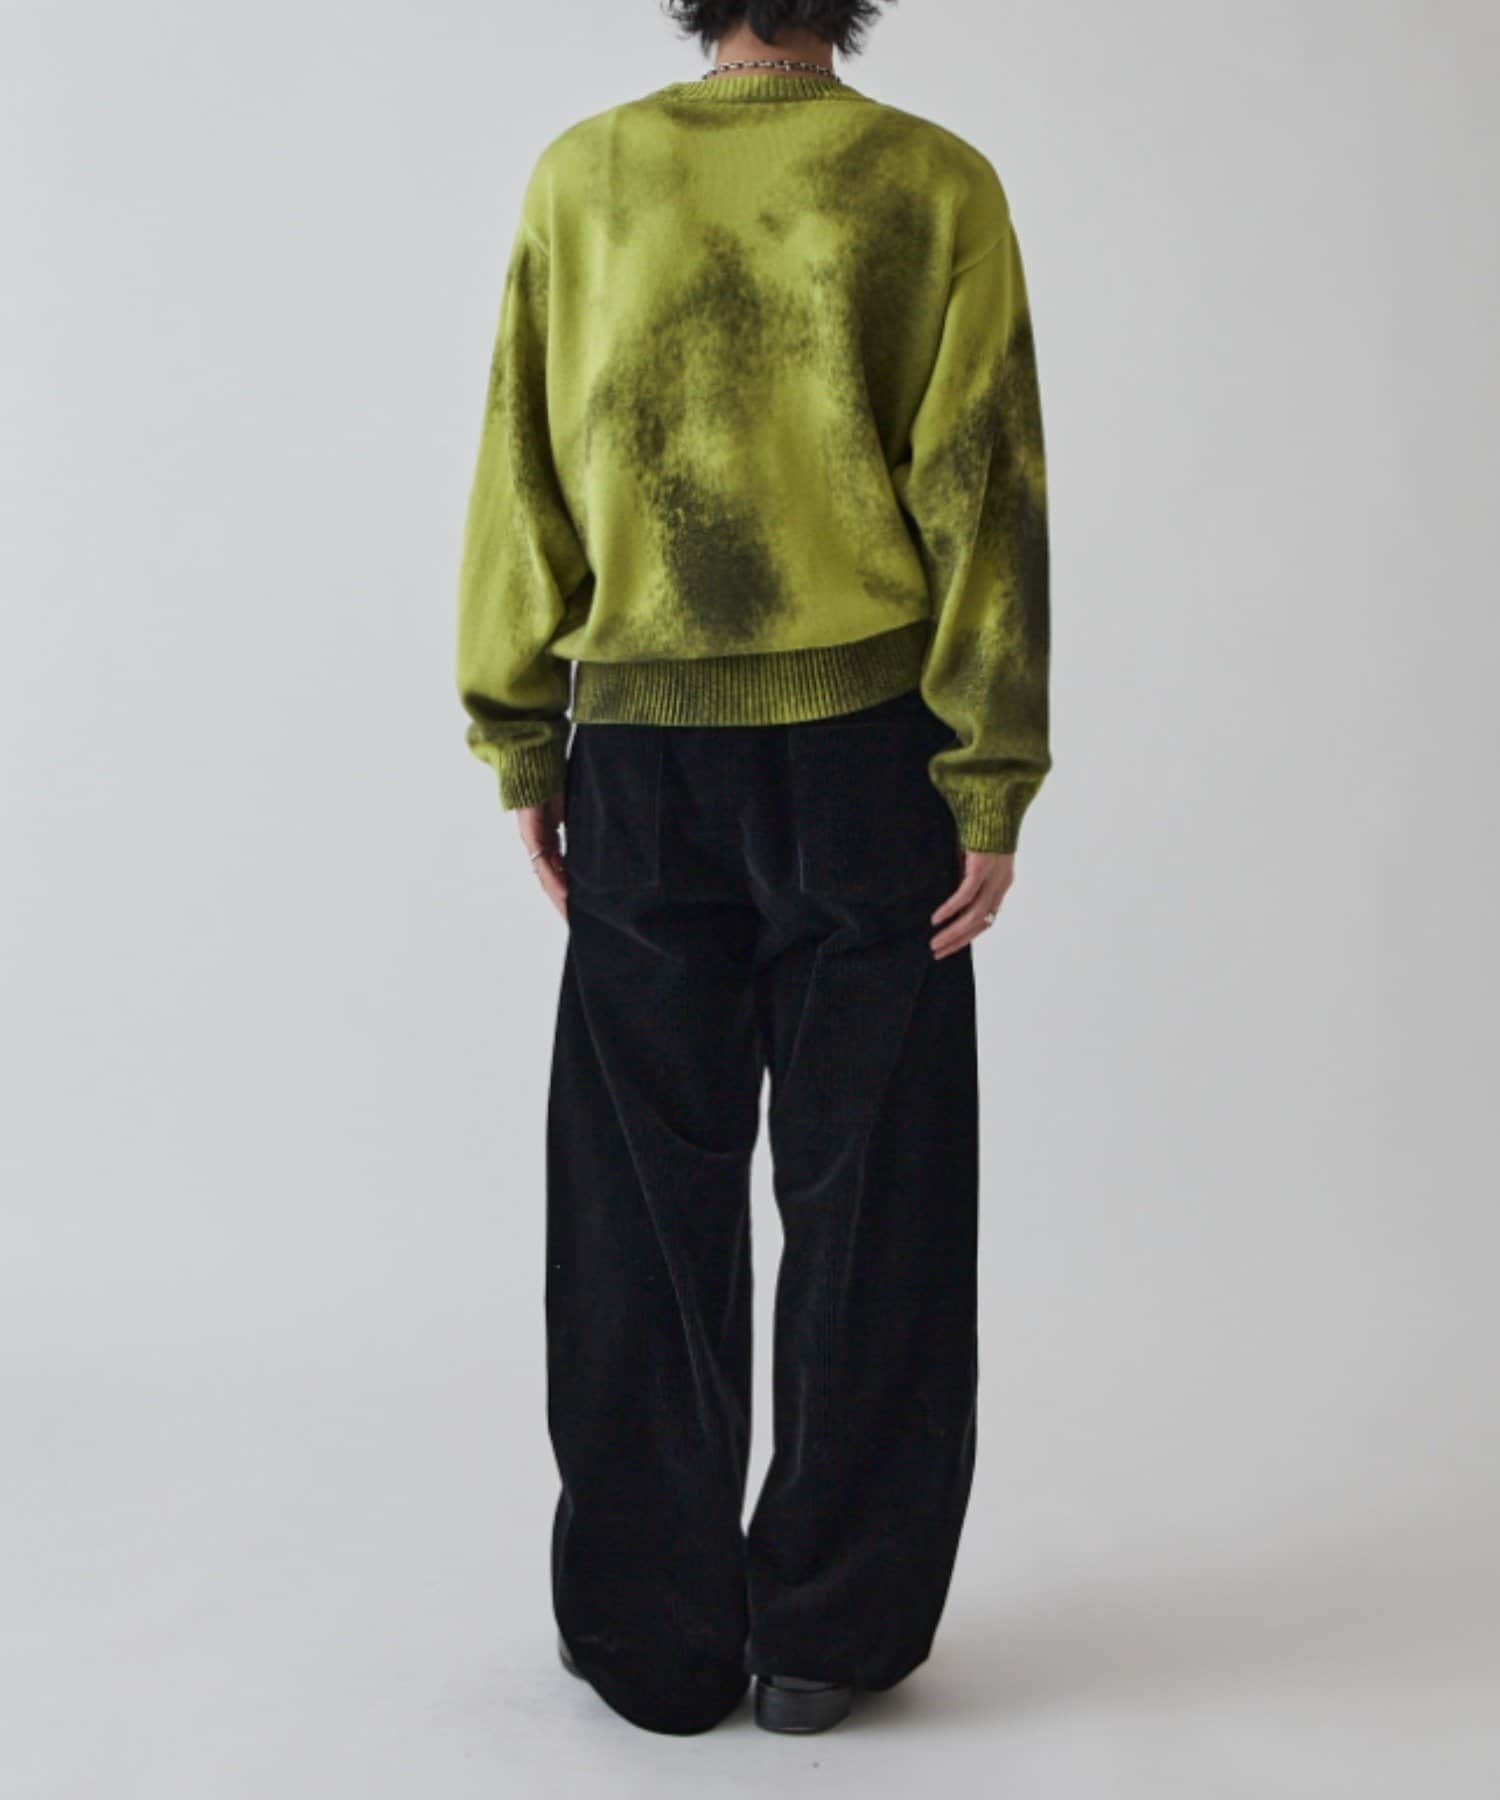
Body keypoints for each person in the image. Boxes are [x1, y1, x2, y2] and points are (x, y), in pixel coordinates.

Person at [454, 0, 1050, 1739]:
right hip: (871, 764)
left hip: (642, 760)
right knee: (878, 1203)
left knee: (641, 1204)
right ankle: (827, 1638)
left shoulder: (589, 178)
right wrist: (990, 774)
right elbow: (985, 494)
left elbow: (522, 467)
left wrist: (522, 735)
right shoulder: (932, 183)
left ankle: (654, 1639)